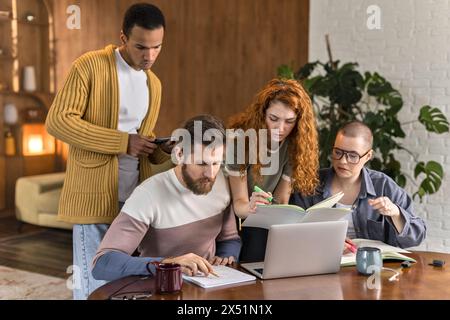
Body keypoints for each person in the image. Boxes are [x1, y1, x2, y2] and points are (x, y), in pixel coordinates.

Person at [45, 3, 173, 299]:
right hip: (93, 193)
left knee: (123, 283)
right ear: (123, 38)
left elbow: (142, 141)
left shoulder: (153, 84)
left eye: (157, 47)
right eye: (142, 47)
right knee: (92, 283)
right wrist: (122, 142)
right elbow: (58, 122)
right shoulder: (89, 67)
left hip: (133, 199)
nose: (149, 56)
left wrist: (159, 149)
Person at [91, 115, 241, 282]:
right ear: (179, 153)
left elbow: (230, 239)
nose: (211, 174)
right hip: (160, 287)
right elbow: (102, 264)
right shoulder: (147, 195)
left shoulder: (222, 183)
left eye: (216, 163)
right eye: (201, 164)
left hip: (208, 286)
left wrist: (226, 255)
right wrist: (168, 264)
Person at [290, 121, 426, 250]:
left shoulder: (383, 186)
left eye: (353, 156)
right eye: (338, 152)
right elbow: (291, 232)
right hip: (320, 262)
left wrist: (396, 213)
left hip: (371, 267)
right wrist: (325, 240)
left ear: (368, 156)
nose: (343, 161)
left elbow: (416, 236)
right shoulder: (311, 183)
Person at [226, 78, 320, 261]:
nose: (280, 128)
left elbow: (281, 200)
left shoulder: (296, 145)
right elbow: (239, 205)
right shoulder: (241, 141)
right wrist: (253, 206)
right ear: (262, 114)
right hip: (238, 216)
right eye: (274, 119)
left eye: (290, 121)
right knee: (257, 237)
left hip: (267, 215)